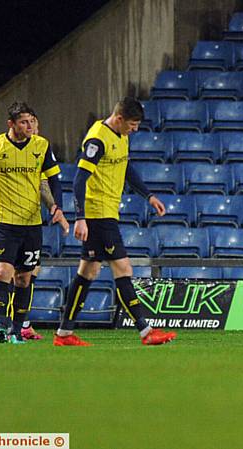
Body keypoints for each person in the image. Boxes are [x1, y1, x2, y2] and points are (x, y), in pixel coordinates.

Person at [53, 97, 176, 346]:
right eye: (132, 124)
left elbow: (126, 168)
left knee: (88, 271)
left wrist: (149, 196)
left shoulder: (121, 136)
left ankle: (64, 333)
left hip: (108, 212)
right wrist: (81, 219)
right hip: (99, 215)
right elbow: (79, 180)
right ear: (119, 118)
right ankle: (145, 331)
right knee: (123, 269)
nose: (135, 129)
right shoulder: (98, 139)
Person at [0, 101, 67, 344]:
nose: (29, 125)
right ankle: (1, 325)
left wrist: (58, 207)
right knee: (2, 272)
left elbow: (54, 180)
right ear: (11, 124)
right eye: (24, 121)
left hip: (32, 223)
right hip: (4, 221)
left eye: (32, 121)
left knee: (24, 278)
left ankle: (17, 330)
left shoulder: (41, 146)